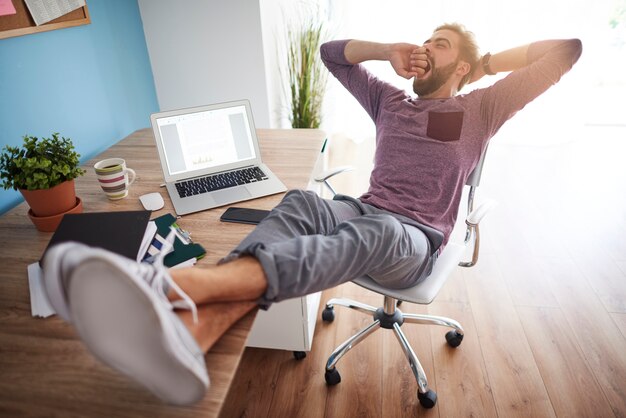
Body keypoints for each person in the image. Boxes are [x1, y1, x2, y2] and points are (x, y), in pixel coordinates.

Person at [42, 23, 582, 405]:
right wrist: (385, 50)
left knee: (379, 231)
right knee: (302, 201)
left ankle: (187, 288)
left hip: (413, 240)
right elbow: (330, 53)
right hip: (362, 211)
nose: (424, 49)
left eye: (437, 45)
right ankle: (200, 331)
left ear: (462, 64)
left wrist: (485, 66)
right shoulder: (391, 102)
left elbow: (565, 51)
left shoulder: (482, 108)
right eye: (423, 41)